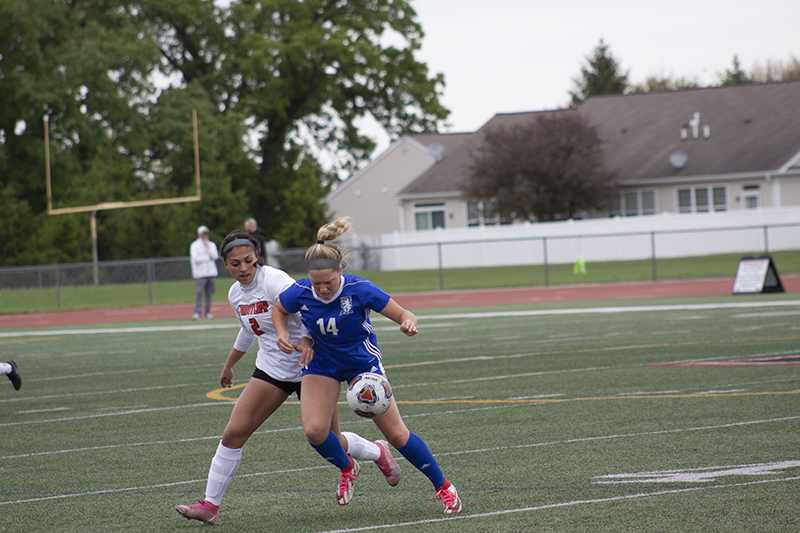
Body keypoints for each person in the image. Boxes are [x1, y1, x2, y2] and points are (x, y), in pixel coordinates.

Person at [176, 230, 400, 525]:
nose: (243, 268)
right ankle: (210, 505)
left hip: (315, 368)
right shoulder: (234, 293)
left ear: (257, 257)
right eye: (235, 263)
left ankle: (377, 452)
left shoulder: (275, 280)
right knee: (234, 433)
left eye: (248, 261)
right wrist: (230, 363)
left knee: (331, 440)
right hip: (272, 370)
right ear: (225, 265)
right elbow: (249, 327)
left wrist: (305, 341)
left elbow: (308, 311)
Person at [272, 218, 462, 515]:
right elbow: (280, 308)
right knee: (315, 431)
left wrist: (407, 323)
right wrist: (283, 332)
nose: (321, 289)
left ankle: (444, 487)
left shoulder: (361, 289)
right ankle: (349, 467)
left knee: (397, 435)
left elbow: (403, 313)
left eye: (328, 282)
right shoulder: (300, 291)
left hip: (363, 366)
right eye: (315, 282)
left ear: (340, 272)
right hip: (322, 365)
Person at [190, 225, 219, 320]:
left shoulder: (211, 245)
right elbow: (196, 259)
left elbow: (215, 256)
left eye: (205, 233)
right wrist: (207, 258)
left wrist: (208, 246)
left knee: (209, 293)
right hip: (200, 273)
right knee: (199, 293)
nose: (204, 235)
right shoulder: (194, 245)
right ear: (199, 234)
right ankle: (197, 312)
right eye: (203, 233)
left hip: (211, 272)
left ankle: (207, 312)